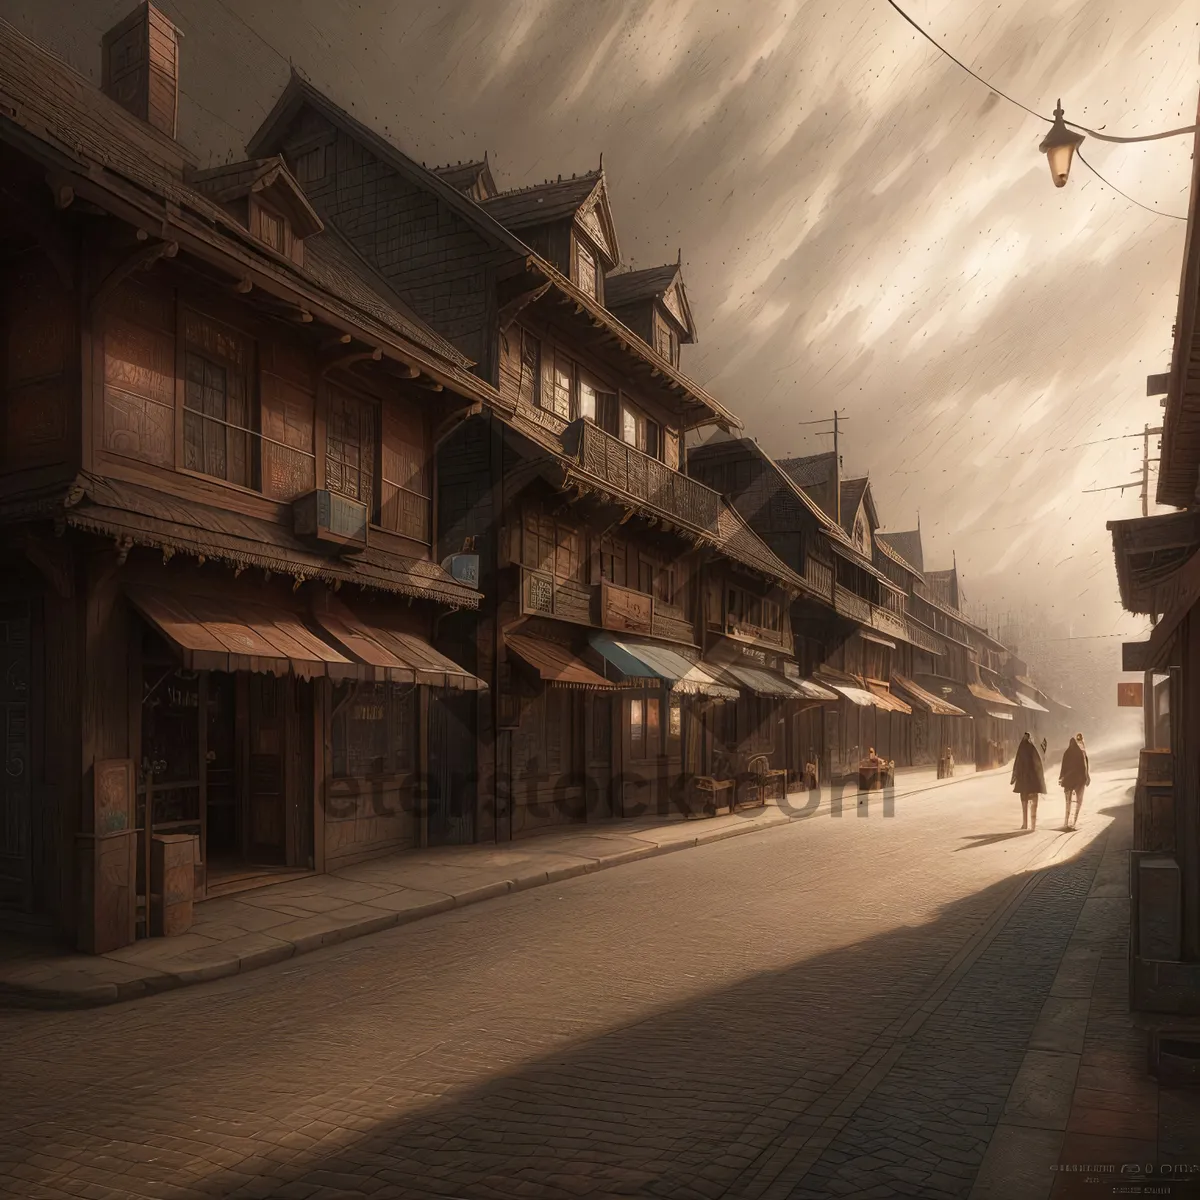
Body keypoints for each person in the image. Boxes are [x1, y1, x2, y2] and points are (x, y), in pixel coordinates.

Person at [1011, 731, 1046, 830]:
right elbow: (1038, 765)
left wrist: (1014, 778)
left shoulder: (1021, 749)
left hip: (1023, 781)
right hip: (1033, 781)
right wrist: (1040, 780)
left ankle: (1025, 824)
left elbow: (1017, 765)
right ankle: (1033, 826)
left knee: (1024, 803)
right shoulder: (1032, 748)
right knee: (1034, 804)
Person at [1059, 733, 1090, 830]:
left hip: (1068, 781)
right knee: (1078, 801)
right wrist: (1087, 777)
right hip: (1079, 781)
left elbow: (1063, 767)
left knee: (1068, 803)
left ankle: (1066, 822)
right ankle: (1073, 822)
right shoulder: (1082, 752)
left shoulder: (1067, 753)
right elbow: (1085, 766)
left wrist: (1061, 777)